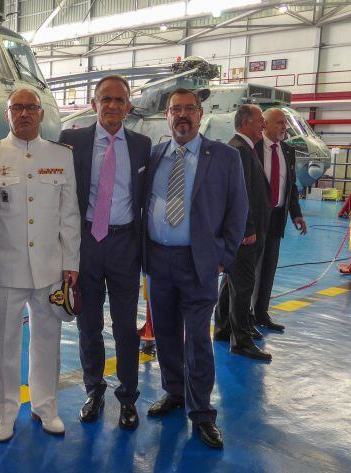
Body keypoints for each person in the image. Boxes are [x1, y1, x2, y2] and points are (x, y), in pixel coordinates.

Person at [144, 88, 248, 449]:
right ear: (167, 116)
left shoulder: (224, 157)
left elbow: (238, 211)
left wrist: (225, 255)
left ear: (200, 114)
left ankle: (202, 412)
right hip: (158, 259)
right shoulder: (156, 154)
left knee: (198, 340)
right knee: (167, 334)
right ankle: (173, 392)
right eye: (176, 110)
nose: (182, 115)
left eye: (189, 109)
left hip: (199, 261)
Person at [0, 88, 81, 442]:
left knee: (47, 342)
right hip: (5, 267)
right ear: (7, 115)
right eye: (16, 108)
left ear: (40, 114)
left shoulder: (60, 156)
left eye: (30, 108)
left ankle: (45, 406)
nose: (24, 114)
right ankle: (4, 413)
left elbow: (69, 215)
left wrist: (71, 263)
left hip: (50, 268)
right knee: (4, 344)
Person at [59, 75, 151, 430]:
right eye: (105, 99)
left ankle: (128, 397)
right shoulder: (71, 142)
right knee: (89, 325)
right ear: (94, 103)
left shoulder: (143, 146)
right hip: (87, 244)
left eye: (119, 100)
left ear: (128, 106)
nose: (112, 105)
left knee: (126, 327)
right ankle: (93, 390)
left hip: (126, 244)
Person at [214, 105, 272, 361]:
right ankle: (241, 341)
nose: (264, 125)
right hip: (245, 233)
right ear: (247, 121)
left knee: (231, 282)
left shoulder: (244, 148)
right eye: (261, 120)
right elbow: (241, 193)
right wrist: (247, 228)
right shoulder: (239, 150)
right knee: (243, 285)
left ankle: (224, 328)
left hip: (244, 231)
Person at [251, 108, 307, 332]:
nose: (284, 127)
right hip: (254, 218)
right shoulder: (252, 147)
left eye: (285, 123)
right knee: (248, 270)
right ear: (264, 124)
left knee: (269, 267)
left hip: (277, 216)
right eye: (279, 123)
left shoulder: (287, 150)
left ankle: (261, 313)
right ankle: (242, 317)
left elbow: (290, 185)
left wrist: (296, 214)